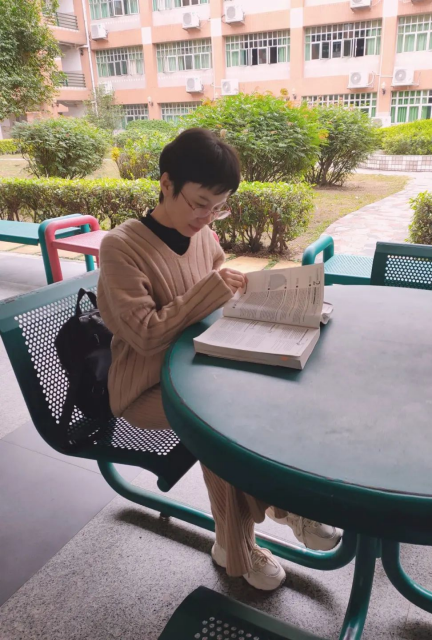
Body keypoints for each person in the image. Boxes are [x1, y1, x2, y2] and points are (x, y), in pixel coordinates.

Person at [97, 128, 341, 591]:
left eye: (219, 207)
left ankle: (281, 508)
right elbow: (145, 335)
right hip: (144, 385)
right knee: (219, 424)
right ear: (166, 183)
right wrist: (211, 290)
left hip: (199, 362)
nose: (208, 217)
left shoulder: (202, 232)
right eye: (200, 203)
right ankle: (241, 543)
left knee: (266, 391)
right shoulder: (121, 246)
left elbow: (213, 291)